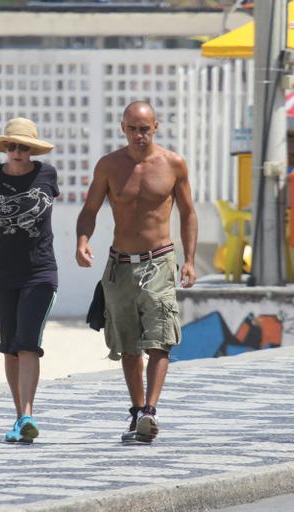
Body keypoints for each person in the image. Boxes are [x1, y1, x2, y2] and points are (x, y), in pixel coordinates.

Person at [76, 101, 198, 443]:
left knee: (160, 340)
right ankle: (136, 409)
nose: (138, 135)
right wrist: (82, 240)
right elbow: (90, 208)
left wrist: (189, 260)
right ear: (122, 128)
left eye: (144, 128)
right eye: (132, 128)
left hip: (159, 260)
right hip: (121, 265)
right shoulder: (109, 166)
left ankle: (150, 411)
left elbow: (188, 213)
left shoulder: (173, 164)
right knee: (128, 345)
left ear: (156, 126)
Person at [0, 117, 58, 443]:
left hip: (39, 271)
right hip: (0, 271)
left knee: (28, 343)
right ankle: (19, 417)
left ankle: (28, 414)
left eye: (23, 147)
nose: (17, 152)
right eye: (11, 146)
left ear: (32, 150)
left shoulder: (47, 174)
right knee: (10, 348)